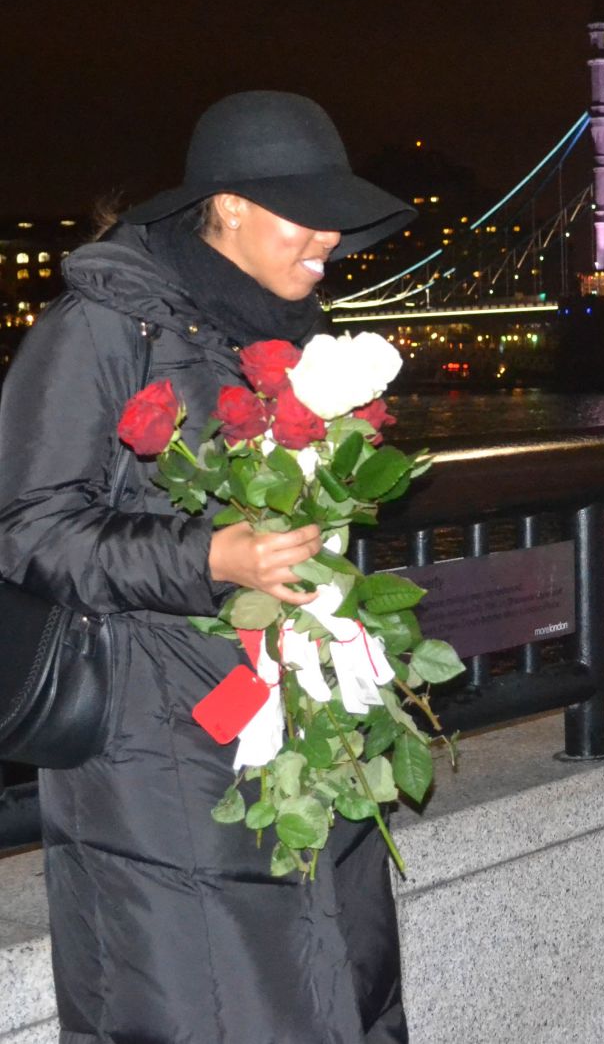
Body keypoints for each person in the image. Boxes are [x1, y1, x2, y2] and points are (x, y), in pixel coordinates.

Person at [0, 91, 416, 1043]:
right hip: (153, 762)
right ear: (226, 205)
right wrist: (208, 557)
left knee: (331, 988)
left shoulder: (287, 334)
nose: (331, 240)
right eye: (304, 212)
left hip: (293, 730)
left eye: (336, 217)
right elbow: (27, 527)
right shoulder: (104, 326)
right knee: (199, 1007)